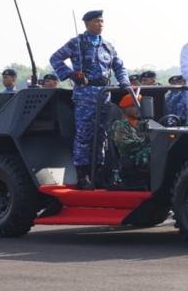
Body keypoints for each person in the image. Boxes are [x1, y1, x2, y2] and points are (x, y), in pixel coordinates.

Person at [50, 10, 130, 189]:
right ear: (86, 24)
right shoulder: (77, 43)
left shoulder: (108, 46)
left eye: (102, 21)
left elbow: (119, 66)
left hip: (104, 93)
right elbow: (55, 59)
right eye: (96, 21)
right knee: (84, 135)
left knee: (101, 135)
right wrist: (71, 74)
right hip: (85, 94)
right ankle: (82, 175)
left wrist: (124, 82)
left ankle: (99, 173)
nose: (100, 24)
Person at [109, 93, 151, 183]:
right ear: (125, 108)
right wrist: (146, 140)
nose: (138, 108)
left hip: (139, 157)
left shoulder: (142, 123)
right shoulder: (120, 125)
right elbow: (125, 147)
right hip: (130, 159)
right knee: (153, 151)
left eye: (140, 105)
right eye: (134, 105)